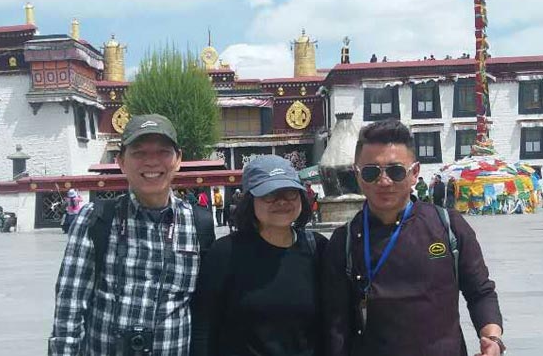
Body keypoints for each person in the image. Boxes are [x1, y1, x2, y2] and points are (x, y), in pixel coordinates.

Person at [322, 119, 504, 356]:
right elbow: (336, 325)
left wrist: (492, 338)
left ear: (415, 172)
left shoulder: (447, 226)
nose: (384, 181)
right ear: (357, 174)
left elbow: (480, 292)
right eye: (371, 172)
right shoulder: (343, 240)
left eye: (396, 171)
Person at [49, 114, 215, 355]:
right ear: (121, 162)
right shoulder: (95, 219)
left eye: (163, 152)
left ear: (178, 159)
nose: (151, 162)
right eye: (138, 153)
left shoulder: (198, 224)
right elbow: (70, 307)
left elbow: (204, 310)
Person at [192, 155, 328, 356]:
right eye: (269, 195)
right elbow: (204, 326)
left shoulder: (318, 248)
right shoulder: (225, 253)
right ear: (250, 201)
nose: (281, 202)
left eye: (290, 193)